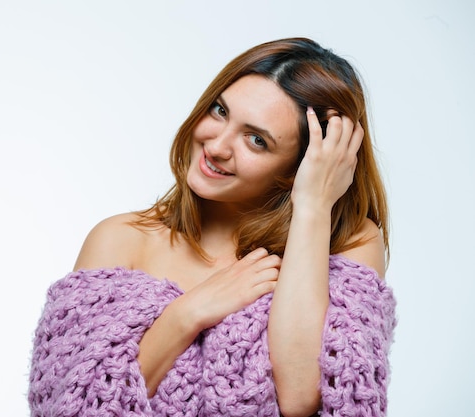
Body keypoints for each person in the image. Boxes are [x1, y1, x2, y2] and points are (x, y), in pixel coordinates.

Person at [28, 37, 396, 417]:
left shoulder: (348, 245)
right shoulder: (120, 240)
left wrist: (313, 208)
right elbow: (70, 405)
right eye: (220, 111)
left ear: (298, 168)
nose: (217, 145)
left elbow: (303, 396)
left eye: (256, 140)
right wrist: (187, 314)